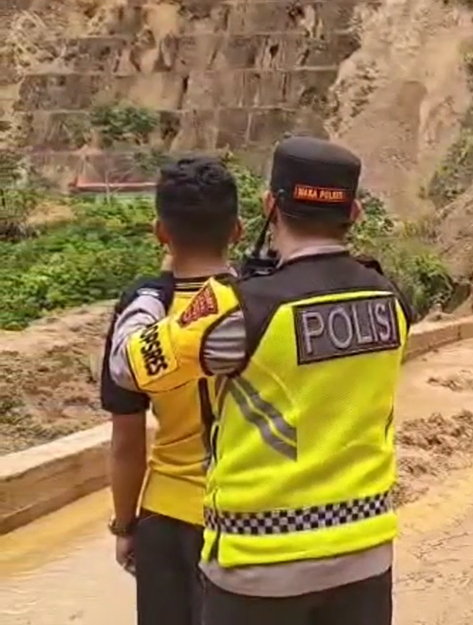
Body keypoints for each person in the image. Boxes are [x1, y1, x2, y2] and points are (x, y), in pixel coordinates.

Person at [108, 136, 414, 625]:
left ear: (271, 204)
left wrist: (147, 297)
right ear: (354, 212)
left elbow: (132, 363)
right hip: (366, 552)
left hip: (260, 563)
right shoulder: (390, 300)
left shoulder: (242, 309)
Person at [101, 156, 241, 625]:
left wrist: (125, 525)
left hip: (164, 518)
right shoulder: (261, 302)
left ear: (161, 231)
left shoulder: (140, 314)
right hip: (241, 516)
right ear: (238, 230)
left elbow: (126, 439)